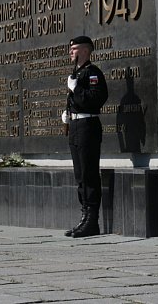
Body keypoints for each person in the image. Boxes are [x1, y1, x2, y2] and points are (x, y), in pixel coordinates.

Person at [62, 35, 109, 238]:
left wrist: (76, 88)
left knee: (89, 174)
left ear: (84, 50)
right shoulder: (77, 73)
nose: (70, 52)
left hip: (87, 126)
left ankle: (92, 221)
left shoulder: (92, 73)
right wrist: (68, 113)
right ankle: (84, 217)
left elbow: (95, 99)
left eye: (74, 49)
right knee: (80, 176)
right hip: (76, 126)